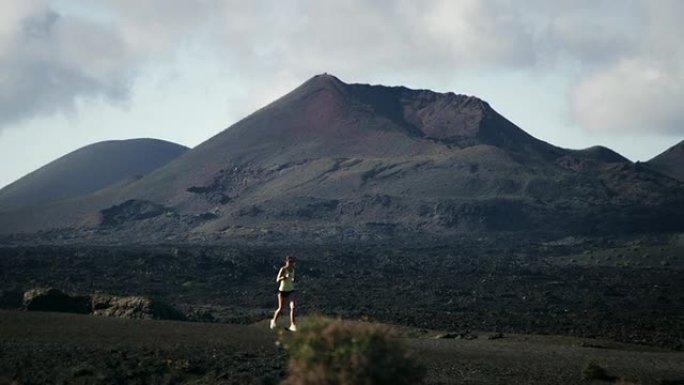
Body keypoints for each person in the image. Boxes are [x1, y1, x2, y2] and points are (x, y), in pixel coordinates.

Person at [270, 255, 297, 331]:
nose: (290, 263)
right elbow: (277, 280)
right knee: (281, 308)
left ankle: (293, 325)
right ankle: (273, 321)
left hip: (291, 290)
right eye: (289, 262)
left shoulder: (293, 270)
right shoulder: (283, 269)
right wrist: (284, 277)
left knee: (293, 307)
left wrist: (293, 280)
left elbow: (292, 279)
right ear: (286, 262)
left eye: (292, 262)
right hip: (282, 291)